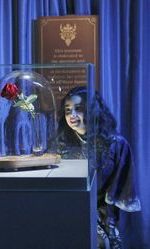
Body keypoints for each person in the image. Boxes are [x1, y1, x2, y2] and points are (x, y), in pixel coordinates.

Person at [54, 86, 141, 249]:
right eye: (68, 110)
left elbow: (118, 190)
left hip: (103, 212)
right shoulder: (60, 144)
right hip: (66, 209)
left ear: (91, 109)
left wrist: (105, 220)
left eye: (78, 109)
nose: (72, 115)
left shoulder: (116, 144)